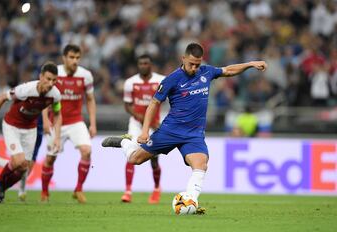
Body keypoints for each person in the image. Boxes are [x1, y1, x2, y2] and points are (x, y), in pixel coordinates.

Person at [102, 42, 267, 214]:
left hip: (194, 135)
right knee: (135, 159)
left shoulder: (206, 72)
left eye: (198, 64)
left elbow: (228, 70)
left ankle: (191, 202)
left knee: (201, 165)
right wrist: (144, 131)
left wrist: (250, 64)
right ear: (183, 59)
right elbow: (153, 103)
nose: (195, 68)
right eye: (191, 64)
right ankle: (124, 142)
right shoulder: (172, 79)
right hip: (170, 131)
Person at [0, 62, 62, 203]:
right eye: (48, 79)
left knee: (24, 169)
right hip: (12, 126)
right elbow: (2, 97)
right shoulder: (26, 90)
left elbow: (57, 113)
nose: (50, 83)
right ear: (41, 76)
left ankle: (1, 186)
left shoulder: (55, 95)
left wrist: (57, 136)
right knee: (19, 161)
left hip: (30, 129)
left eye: (54, 80)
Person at [41, 44, 97, 203]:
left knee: (86, 151)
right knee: (50, 159)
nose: (75, 61)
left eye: (77, 58)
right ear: (64, 58)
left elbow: (91, 100)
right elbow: (45, 98)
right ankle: (44, 192)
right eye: (71, 57)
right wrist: (45, 120)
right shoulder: (54, 74)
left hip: (76, 121)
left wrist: (92, 123)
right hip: (55, 122)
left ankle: (78, 189)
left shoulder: (85, 75)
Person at [121, 54, 165, 203]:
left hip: (155, 124)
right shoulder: (130, 83)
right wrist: (140, 117)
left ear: (151, 64)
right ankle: (127, 191)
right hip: (136, 123)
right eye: (141, 63)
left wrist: (155, 121)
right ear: (137, 65)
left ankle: (157, 189)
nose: (143, 66)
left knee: (154, 159)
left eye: (146, 63)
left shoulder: (160, 80)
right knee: (131, 154)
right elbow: (127, 105)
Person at [0, 114, 44, 201]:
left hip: (38, 128)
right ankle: (16, 191)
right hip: (28, 128)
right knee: (23, 165)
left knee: (26, 168)